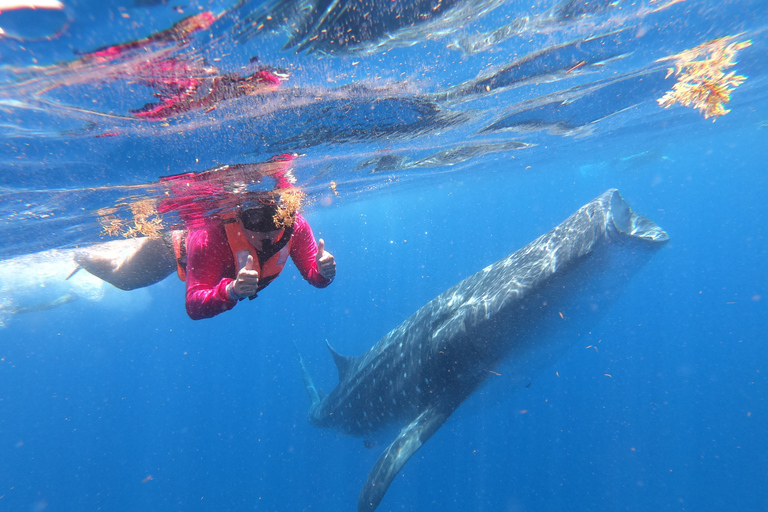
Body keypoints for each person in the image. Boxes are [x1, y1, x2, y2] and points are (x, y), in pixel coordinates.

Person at [180, 199, 336, 320]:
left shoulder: (296, 226)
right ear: (237, 217)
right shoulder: (209, 238)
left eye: (277, 220)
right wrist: (231, 291)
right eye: (254, 218)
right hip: (168, 250)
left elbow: (315, 275)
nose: (267, 232)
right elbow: (194, 306)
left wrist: (324, 273)